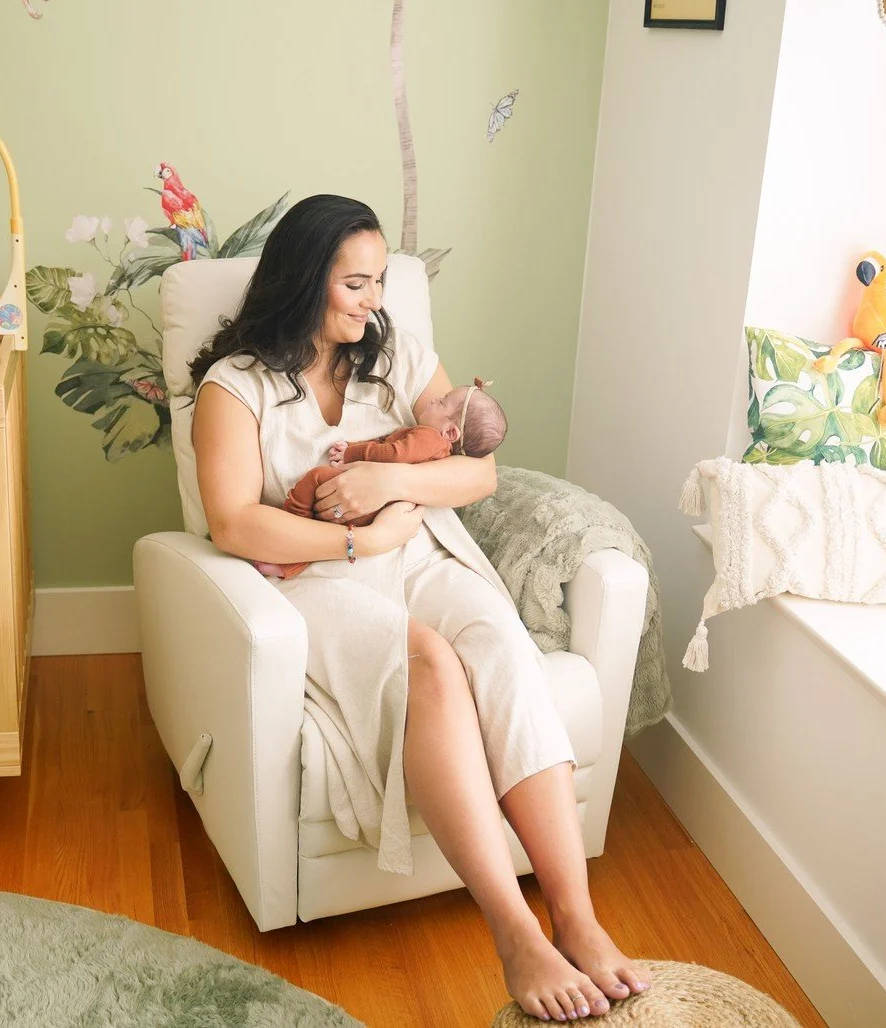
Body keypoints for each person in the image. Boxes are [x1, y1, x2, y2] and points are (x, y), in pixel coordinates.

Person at [188, 194, 651, 1022]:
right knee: (429, 664)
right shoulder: (236, 386)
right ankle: (513, 931)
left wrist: (390, 483)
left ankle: (575, 919)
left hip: (421, 550)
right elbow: (231, 520)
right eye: (355, 284)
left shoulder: (393, 354)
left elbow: (478, 473)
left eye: (378, 283)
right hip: (313, 578)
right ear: (302, 283)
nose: (372, 302)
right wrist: (355, 543)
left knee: (502, 651)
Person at [253, 378, 506, 580]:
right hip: (375, 511)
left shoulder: (429, 439)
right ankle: (291, 564)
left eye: (442, 403)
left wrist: (352, 451)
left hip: (370, 504)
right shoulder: (434, 445)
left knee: (315, 478)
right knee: (331, 529)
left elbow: (393, 454)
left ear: (450, 432)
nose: (434, 398)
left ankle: (292, 523)